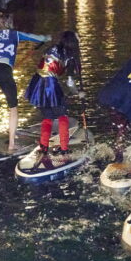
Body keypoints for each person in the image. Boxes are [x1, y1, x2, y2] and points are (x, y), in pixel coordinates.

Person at [0, 11, 50, 151]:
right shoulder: (15, 34)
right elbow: (37, 37)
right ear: (10, 23)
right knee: (13, 107)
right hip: (4, 70)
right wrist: (47, 38)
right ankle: (12, 144)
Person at [25, 31, 85, 167]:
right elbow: (70, 83)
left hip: (37, 82)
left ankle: (44, 148)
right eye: (78, 39)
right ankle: (64, 149)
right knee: (62, 115)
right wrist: (78, 93)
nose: (80, 40)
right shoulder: (69, 56)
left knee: (48, 116)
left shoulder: (52, 48)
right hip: (50, 84)